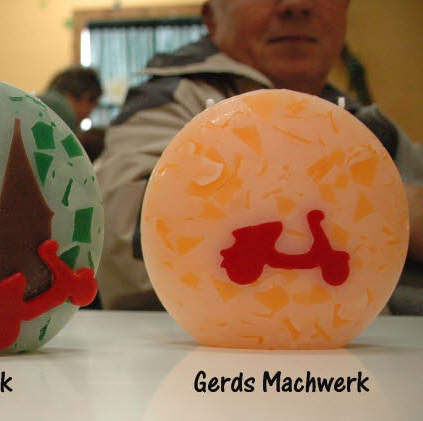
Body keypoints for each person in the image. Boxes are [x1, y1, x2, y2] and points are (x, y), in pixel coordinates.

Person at [95, 0, 423, 312]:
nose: (297, 5)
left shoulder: (371, 126)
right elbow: (123, 240)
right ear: (211, 17)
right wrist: (388, 208)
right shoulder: (171, 101)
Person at [38, 66, 102, 133]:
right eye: (95, 104)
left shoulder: (41, 101)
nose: (89, 114)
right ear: (86, 97)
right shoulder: (62, 112)